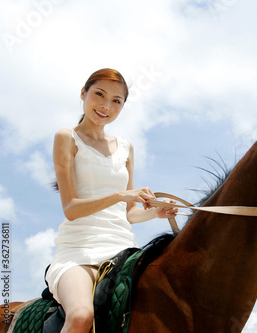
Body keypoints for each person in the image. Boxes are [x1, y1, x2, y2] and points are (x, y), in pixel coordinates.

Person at [45, 68, 177, 333]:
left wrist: (154, 213)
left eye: (116, 101)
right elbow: (71, 209)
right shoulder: (66, 137)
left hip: (123, 250)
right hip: (78, 252)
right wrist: (120, 195)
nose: (106, 106)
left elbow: (129, 213)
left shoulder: (126, 147)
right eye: (99, 95)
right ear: (83, 93)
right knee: (82, 315)